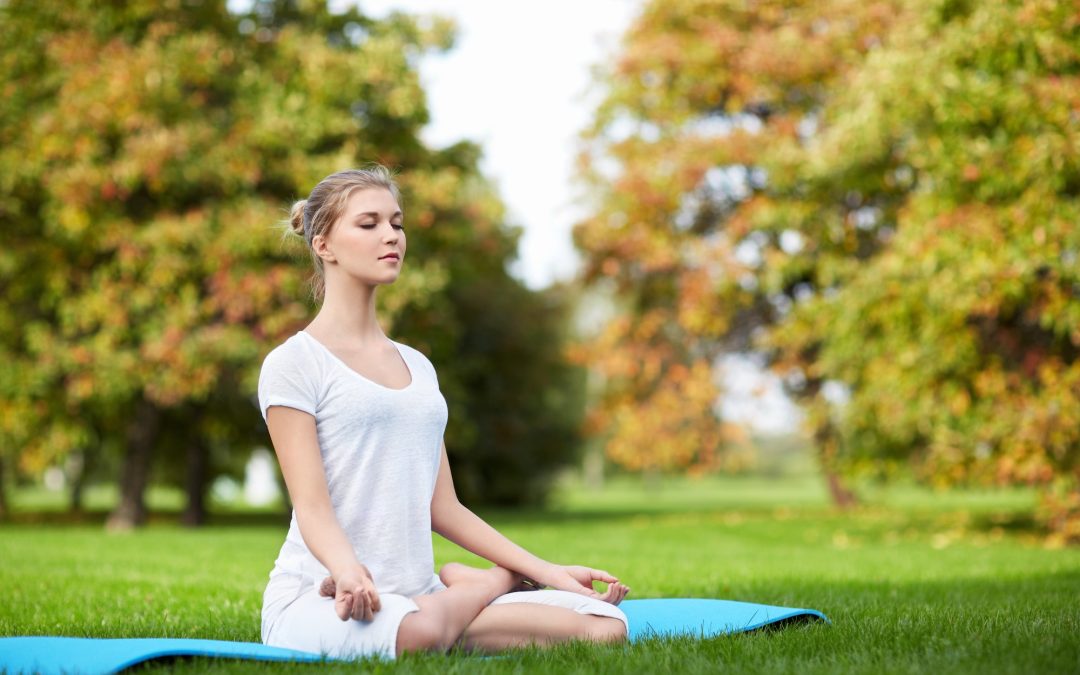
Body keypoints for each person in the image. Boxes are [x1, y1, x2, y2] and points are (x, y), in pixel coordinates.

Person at [257, 166, 630, 660]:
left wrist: (549, 572)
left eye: (397, 223)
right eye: (368, 224)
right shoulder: (294, 364)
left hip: (421, 597)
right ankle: (490, 585)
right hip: (323, 596)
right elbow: (312, 507)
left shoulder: (418, 367)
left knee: (606, 625)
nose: (391, 235)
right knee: (418, 635)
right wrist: (347, 570)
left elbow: (444, 508)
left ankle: (457, 603)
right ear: (323, 244)